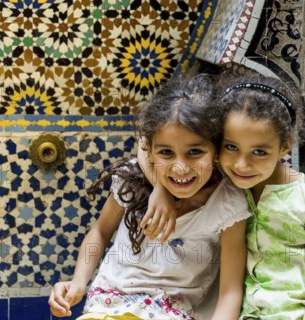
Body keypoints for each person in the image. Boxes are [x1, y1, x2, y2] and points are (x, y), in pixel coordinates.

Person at [48, 74, 251, 320]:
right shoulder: (133, 180)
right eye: (166, 152)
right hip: (108, 306)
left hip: (175, 312)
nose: (180, 168)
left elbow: (230, 291)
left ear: (216, 151)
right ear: (150, 151)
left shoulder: (227, 205)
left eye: (195, 152)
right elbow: (100, 232)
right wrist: (79, 281)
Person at [141, 71, 305, 320]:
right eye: (231, 147)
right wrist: (161, 189)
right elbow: (144, 141)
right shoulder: (220, 184)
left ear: (285, 146)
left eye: (259, 152)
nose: (242, 165)